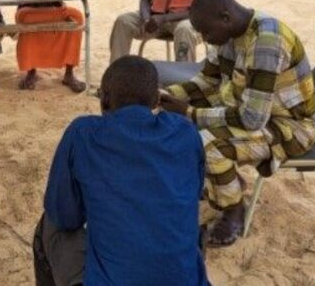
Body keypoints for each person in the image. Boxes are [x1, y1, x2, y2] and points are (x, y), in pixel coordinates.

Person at [161, 0, 315, 247]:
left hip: (289, 126)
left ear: (225, 17)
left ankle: (234, 209)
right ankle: (225, 183)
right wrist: (166, 95)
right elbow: (208, 79)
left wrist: (189, 113)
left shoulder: (267, 41)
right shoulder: (228, 32)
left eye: (206, 32)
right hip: (251, 109)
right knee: (181, 121)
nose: (204, 38)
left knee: (207, 143)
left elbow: (252, 119)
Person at [33, 56, 210, 286]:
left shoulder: (83, 134)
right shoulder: (186, 132)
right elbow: (193, 194)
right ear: (157, 99)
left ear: (104, 99)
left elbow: (64, 216)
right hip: (184, 278)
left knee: (49, 225)